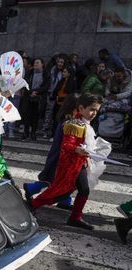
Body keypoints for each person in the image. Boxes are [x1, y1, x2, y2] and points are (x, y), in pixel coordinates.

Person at [29, 93, 103, 230]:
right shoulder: (74, 124)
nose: (94, 113)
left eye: (97, 110)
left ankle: (75, 217)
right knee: (60, 191)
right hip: (69, 166)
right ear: (81, 108)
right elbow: (66, 144)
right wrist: (77, 149)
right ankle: (31, 206)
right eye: (92, 109)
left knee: (81, 190)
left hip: (79, 164)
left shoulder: (85, 124)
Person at [23, 94, 80, 211]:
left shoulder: (66, 118)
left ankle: (65, 200)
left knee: (62, 179)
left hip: (59, 154)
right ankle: (32, 188)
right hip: (60, 156)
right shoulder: (69, 122)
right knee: (54, 179)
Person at [20, 58, 50, 141]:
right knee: (27, 115)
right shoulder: (29, 73)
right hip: (29, 97)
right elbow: (25, 83)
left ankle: (33, 133)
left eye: (37, 63)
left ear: (42, 64)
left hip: (39, 98)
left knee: (35, 117)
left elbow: (46, 86)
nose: (35, 64)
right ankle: (25, 133)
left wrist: (36, 92)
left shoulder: (46, 74)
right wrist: (30, 92)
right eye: (35, 63)